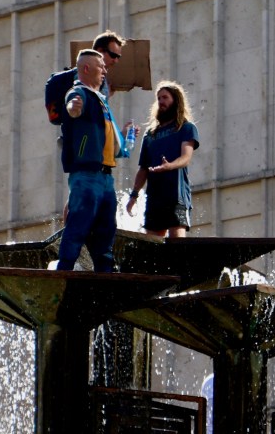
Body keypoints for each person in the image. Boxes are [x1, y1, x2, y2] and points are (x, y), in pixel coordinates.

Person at [56, 50, 126, 271]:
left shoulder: (101, 101)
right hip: (86, 175)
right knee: (79, 224)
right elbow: (72, 105)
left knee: (107, 229)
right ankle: (64, 271)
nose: (105, 70)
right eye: (101, 66)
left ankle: (105, 273)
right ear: (86, 68)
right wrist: (73, 109)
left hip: (105, 177)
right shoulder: (79, 92)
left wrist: (122, 137)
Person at [126, 81, 199, 237]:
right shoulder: (150, 134)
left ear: (176, 100)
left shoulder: (186, 128)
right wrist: (134, 195)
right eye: (158, 98)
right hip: (154, 198)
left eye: (165, 97)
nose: (161, 101)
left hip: (177, 196)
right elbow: (143, 169)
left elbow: (186, 157)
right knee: (152, 246)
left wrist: (169, 166)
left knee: (177, 244)